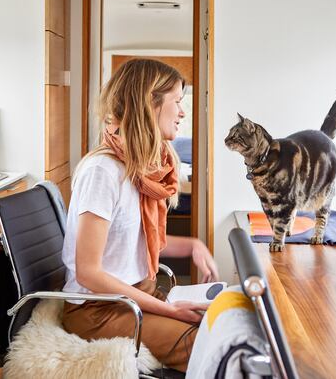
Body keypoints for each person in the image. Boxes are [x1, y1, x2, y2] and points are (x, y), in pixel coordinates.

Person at [62, 58, 219, 372]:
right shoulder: (103, 171)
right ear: (150, 103)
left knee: (225, 326)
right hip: (100, 311)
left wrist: (192, 245)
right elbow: (88, 272)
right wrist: (168, 310)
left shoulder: (140, 167)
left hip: (136, 295)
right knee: (212, 349)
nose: (182, 113)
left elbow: (135, 242)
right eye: (177, 102)